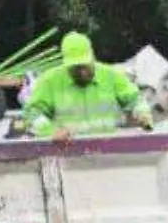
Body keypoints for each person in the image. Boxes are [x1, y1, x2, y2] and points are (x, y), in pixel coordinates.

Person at [23, 31, 152, 141]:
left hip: (109, 152)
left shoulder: (111, 76)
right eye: (76, 68)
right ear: (65, 63)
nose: (82, 72)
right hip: (68, 155)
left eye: (85, 65)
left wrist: (142, 113)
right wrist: (51, 132)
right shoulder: (50, 81)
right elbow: (32, 115)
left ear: (92, 56)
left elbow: (135, 99)